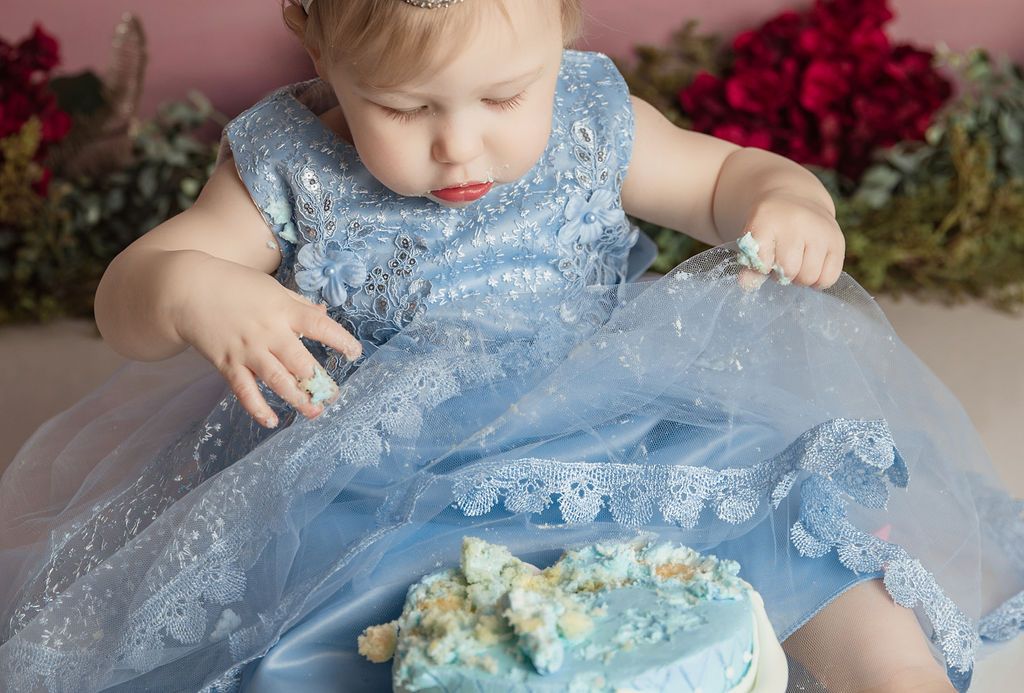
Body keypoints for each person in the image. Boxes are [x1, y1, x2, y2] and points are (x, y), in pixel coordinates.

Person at [0, 1, 1019, 691]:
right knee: (344, 627)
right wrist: (193, 287)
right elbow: (124, 299)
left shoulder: (587, 115)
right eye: (401, 108)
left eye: (502, 98)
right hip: (382, 464)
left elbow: (718, 183)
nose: (459, 144)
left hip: (621, 416)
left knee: (793, 536)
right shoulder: (286, 160)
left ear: (562, 31)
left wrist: (783, 196)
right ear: (316, 47)